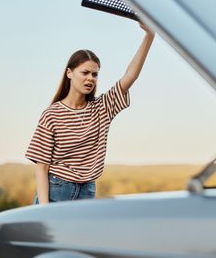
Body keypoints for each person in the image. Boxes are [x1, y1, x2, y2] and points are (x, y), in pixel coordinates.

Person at [25, 23, 154, 204]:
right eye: (85, 72)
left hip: (88, 190)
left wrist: (149, 35)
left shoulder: (102, 108)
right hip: (57, 190)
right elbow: (42, 167)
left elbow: (131, 75)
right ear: (69, 73)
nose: (90, 78)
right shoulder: (52, 114)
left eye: (95, 74)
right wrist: (44, 208)